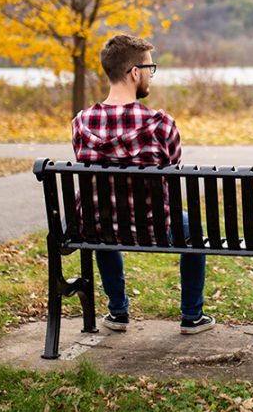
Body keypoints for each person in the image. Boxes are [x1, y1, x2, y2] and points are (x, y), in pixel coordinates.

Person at [71, 34, 215, 335]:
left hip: (100, 228)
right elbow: (172, 163)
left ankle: (118, 312)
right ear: (134, 72)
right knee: (194, 230)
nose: (151, 74)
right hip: (156, 227)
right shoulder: (161, 124)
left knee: (102, 219)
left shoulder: (81, 123)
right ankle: (191, 316)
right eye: (150, 68)